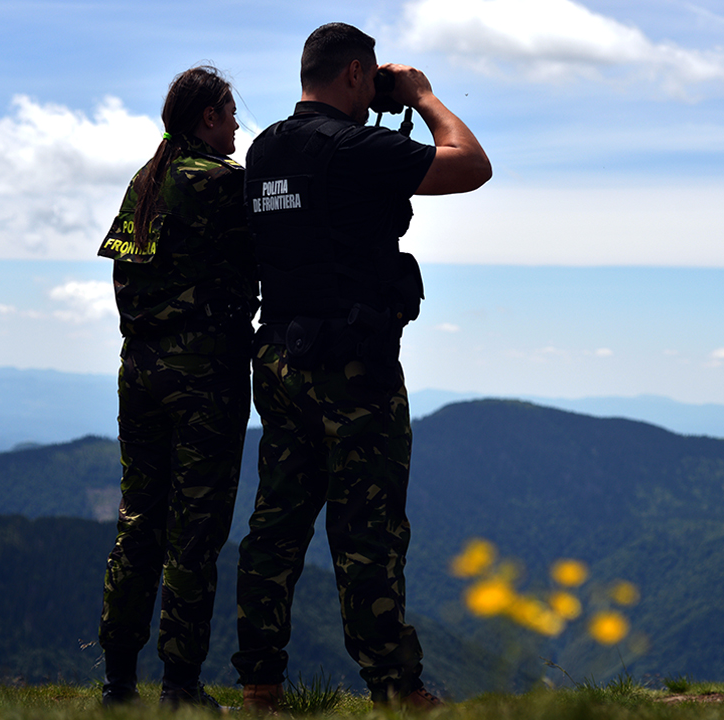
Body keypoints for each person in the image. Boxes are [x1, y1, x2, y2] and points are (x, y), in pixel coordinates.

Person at [231, 22, 491, 713]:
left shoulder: (265, 150)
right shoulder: (354, 148)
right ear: (354, 75)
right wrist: (426, 97)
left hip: (280, 358)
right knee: (367, 532)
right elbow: (469, 164)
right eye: (369, 77)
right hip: (352, 368)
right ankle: (395, 688)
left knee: (276, 523)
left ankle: (259, 682)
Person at [96, 65, 258, 709]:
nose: (238, 124)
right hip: (205, 378)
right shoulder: (221, 184)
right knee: (195, 530)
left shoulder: (145, 181)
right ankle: (181, 685)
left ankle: (117, 681)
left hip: (139, 372)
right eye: (229, 112)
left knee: (138, 523)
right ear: (208, 119)